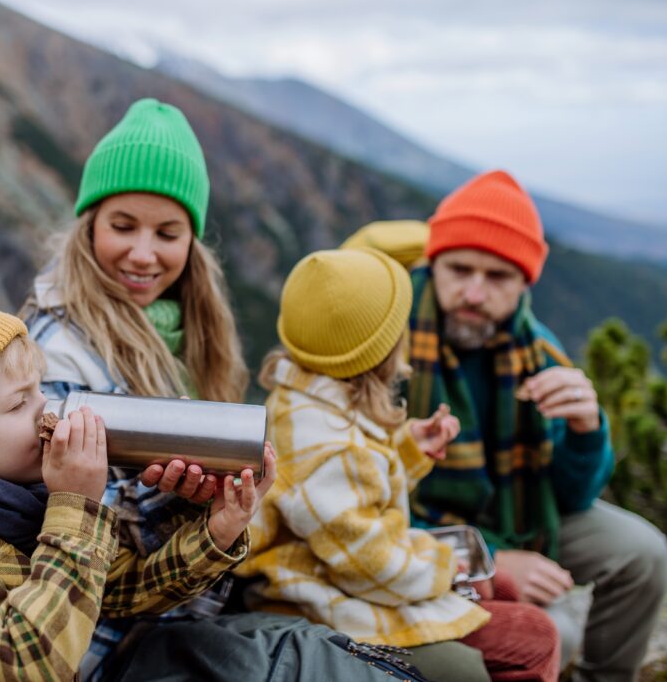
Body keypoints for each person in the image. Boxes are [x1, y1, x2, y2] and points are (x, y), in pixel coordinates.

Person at [0, 292, 274, 681]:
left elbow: (114, 592)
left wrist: (215, 529)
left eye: (40, 390)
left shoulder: (8, 503)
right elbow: (31, 661)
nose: (47, 411)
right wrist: (76, 506)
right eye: (18, 403)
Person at [346, 170, 667, 682]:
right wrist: (488, 558)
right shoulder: (382, 338)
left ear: (524, 283)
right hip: (403, 528)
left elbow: (572, 497)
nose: (474, 293)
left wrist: (588, 429)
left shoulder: (535, 351)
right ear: (434, 262)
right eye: (459, 269)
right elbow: (348, 500)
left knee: (643, 553)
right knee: (544, 634)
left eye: (497, 277)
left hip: (514, 514)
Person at [237, 247, 562, 682]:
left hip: (333, 578)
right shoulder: (333, 447)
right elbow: (369, 563)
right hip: (324, 601)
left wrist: (406, 453)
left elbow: (346, 495)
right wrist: (447, 564)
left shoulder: (301, 396)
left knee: (500, 592)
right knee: (534, 637)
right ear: (380, 350)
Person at [21, 98, 252, 677]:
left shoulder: (190, 331)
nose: (143, 254)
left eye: (168, 233)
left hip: (182, 606)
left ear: (191, 243)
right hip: (98, 636)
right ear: (90, 224)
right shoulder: (55, 347)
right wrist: (180, 500)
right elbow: (60, 515)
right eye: (123, 226)